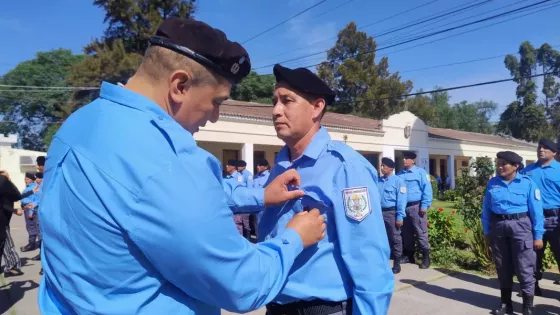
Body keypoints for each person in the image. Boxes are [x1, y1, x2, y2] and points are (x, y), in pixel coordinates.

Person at [38, 18, 326, 315]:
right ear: (180, 85)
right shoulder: (167, 161)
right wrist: (294, 238)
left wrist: (259, 196)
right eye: (216, 101)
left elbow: (153, 201)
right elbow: (242, 284)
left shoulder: (78, 125)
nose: (214, 116)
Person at [258, 64, 393, 315]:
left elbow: (368, 257)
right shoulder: (280, 166)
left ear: (317, 107)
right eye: (274, 101)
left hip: (321, 308)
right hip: (276, 305)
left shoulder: (345, 167)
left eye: (287, 101)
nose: (276, 110)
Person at [482, 151, 544, 315]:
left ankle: (527, 307)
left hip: (521, 225)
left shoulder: (527, 183)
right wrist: (486, 230)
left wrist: (538, 235)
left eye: (504, 164)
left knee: (525, 267)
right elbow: (486, 209)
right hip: (499, 226)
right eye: (498, 164)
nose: (500, 167)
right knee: (503, 267)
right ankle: (506, 304)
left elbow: (536, 211)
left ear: (515, 166)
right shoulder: (493, 183)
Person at [520, 138, 560, 297]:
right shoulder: (527, 171)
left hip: (557, 220)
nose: (541, 150)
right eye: (539, 147)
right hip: (533, 220)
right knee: (533, 256)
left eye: (545, 148)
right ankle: (533, 286)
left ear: (554, 152)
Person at [397, 151, 433, 269]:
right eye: (404, 158)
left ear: (413, 160)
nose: (404, 160)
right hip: (403, 207)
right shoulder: (399, 174)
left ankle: (426, 257)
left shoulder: (420, 173)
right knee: (406, 233)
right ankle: (409, 255)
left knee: (421, 232)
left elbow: (427, 189)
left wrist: (424, 205)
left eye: (407, 158)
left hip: (416, 207)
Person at [378, 157, 407, 274]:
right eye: (381, 165)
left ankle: (397, 263)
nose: (381, 168)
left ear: (390, 168)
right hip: (379, 213)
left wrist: (400, 216)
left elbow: (402, 200)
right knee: (381, 238)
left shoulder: (398, 181)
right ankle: (383, 261)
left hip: (392, 213)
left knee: (395, 238)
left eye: (384, 166)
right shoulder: (378, 181)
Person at [0, 171, 26, 277]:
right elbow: (16, 194)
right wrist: (6, 179)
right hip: (2, 220)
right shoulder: (2, 181)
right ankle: (13, 266)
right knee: (6, 241)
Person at [224, 160, 251, 239]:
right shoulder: (228, 177)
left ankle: (241, 240)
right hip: (229, 203)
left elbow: (240, 190)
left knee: (238, 223)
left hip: (237, 203)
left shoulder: (239, 177)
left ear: (233, 167)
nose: (226, 166)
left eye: (228, 165)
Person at [252, 159, 271, 237]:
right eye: (257, 165)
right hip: (256, 204)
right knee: (256, 223)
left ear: (266, 167)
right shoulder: (255, 177)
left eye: (260, 165)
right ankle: (258, 240)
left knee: (267, 223)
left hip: (265, 203)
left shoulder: (270, 176)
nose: (257, 167)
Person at [20, 172, 38, 252]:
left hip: (30, 208)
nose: (25, 180)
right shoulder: (27, 187)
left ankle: (31, 244)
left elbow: (33, 200)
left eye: (27, 179)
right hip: (26, 208)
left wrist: (31, 212)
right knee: (29, 226)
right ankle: (31, 243)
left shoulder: (34, 188)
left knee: (31, 226)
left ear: (32, 180)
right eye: (25, 179)